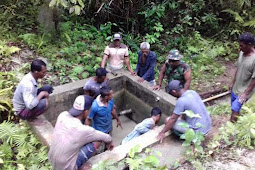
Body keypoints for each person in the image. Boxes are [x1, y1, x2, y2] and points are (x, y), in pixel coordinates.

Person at [48, 95, 114, 170]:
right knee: (97, 140)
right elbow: (106, 137)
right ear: (86, 112)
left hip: (52, 160)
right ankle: (80, 165)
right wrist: (110, 142)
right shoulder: (83, 130)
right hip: (67, 167)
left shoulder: (62, 115)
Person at [229, 32, 255, 122]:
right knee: (234, 109)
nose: (240, 48)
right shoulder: (241, 53)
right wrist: (233, 82)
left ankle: (231, 130)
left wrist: (245, 93)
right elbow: (238, 68)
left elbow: (254, 79)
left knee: (234, 109)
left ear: (250, 45)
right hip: (235, 88)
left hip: (243, 91)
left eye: (242, 46)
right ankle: (237, 123)